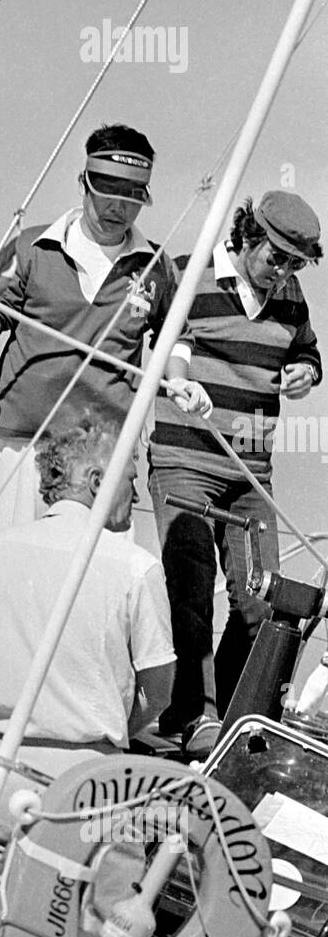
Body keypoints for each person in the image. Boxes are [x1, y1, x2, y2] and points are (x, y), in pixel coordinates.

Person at [0, 410, 175, 937]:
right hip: (88, 776)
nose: (133, 495)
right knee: (70, 921)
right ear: (94, 482)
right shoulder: (135, 568)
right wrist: (114, 722)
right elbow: (159, 690)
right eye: (129, 479)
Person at [0, 123, 210, 526]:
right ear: (82, 182)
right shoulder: (31, 247)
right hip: (26, 443)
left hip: (104, 451)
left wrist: (181, 381)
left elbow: (177, 335)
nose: (117, 209)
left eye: (131, 198)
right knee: (19, 564)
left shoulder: (156, 267)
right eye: (107, 194)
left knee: (100, 579)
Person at [149, 191, 323, 757]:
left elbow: (309, 354)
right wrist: (175, 373)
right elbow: (154, 339)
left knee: (264, 597)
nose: (285, 272)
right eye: (278, 258)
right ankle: (190, 715)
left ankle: (228, 713)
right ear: (248, 237)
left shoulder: (290, 296)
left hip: (251, 470)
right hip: (185, 459)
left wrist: (304, 371)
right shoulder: (187, 272)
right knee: (191, 591)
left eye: (297, 264)